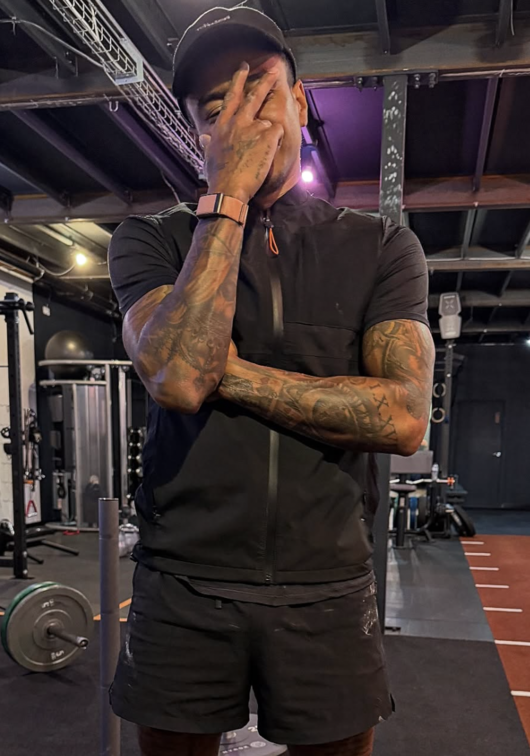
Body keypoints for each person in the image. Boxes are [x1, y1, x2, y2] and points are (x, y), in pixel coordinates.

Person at [108, 7, 435, 756]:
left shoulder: (382, 245)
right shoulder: (150, 239)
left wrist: (227, 372)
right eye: (217, 108)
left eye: (260, 91)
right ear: (199, 133)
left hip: (328, 584)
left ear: (300, 101)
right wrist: (227, 195)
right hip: (184, 581)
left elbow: (402, 417)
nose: (245, 118)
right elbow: (178, 379)